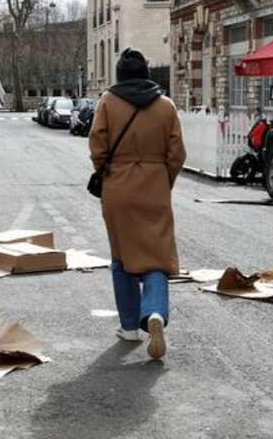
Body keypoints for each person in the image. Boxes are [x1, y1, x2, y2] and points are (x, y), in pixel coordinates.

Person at [89, 48, 186, 360]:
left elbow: (97, 146)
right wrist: (162, 179)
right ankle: (155, 313)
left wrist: (108, 172)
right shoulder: (166, 106)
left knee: (122, 257)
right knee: (156, 257)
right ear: (146, 73)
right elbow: (177, 154)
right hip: (155, 185)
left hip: (118, 188)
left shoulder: (107, 102)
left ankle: (130, 326)